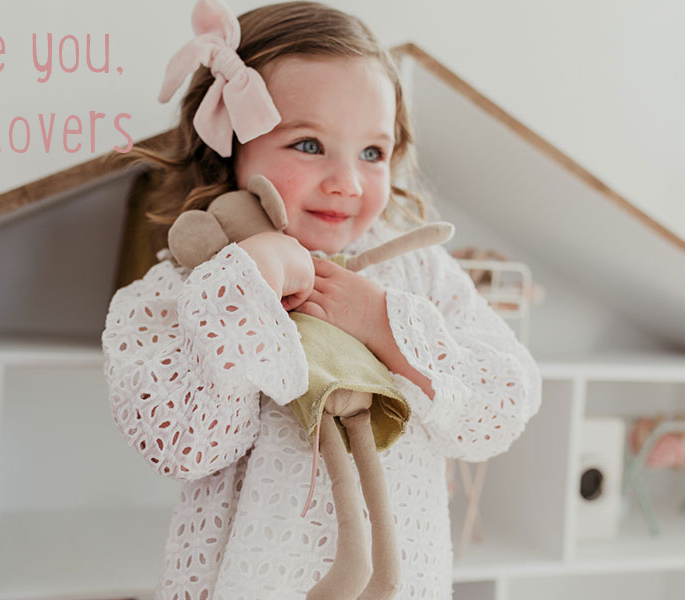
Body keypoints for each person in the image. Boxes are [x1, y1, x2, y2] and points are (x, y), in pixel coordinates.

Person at [101, 1, 543, 598]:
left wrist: (385, 324)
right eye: (309, 145)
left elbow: (504, 403)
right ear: (231, 145)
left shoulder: (416, 271)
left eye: (372, 153)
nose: (348, 182)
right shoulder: (186, 285)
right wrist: (246, 289)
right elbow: (184, 443)